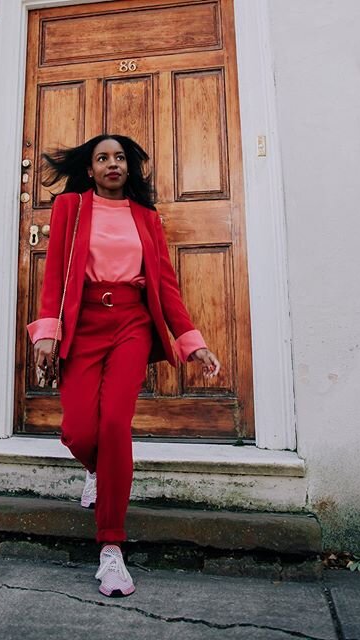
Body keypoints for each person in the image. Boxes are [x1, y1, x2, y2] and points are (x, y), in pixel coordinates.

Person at [27, 134, 220, 597]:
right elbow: (54, 275)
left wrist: (192, 342)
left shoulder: (147, 219)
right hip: (84, 323)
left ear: (128, 168)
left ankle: (110, 549)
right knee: (78, 431)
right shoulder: (70, 209)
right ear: (90, 169)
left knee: (114, 423)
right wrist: (48, 334)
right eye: (102, 158)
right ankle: (98, 470)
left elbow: (166, 286)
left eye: (119, 158)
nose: (112, 164)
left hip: (132, 323)